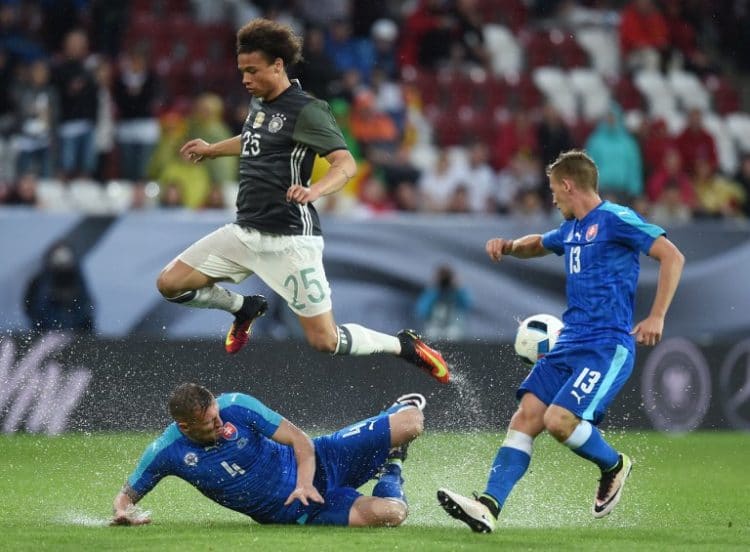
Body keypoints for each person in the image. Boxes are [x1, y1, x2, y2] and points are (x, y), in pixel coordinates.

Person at [162, 19, 450, 384]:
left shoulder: (308, 110)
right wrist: (213, 150)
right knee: (170, 284)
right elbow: (254, 136)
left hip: (290, 240)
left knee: (324, 340)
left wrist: (314, 191)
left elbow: (345, 164)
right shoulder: (260, 103)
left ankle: (405, 346)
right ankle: (244, 308)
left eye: (253, 70)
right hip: (245, 231)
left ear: (278, 65)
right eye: (242, 71)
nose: (245, 79)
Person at [437, 150, 684, 532]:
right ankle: (488, 504)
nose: (552, 198)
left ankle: (614, 464)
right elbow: (539, 243)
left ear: (568, 185)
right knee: (525, 417)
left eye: (554, 190)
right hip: (568, 342)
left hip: (607, 345)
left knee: (558, 420)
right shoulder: (571, 229)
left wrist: (657, 316)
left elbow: (672, 257)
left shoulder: (616, 220)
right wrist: (508, 245)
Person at [111, 383, 425, 527]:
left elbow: (300, 439)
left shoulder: (236, 405)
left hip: (324, 458)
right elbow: (127, 494)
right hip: (303, 512)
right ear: (185, 426)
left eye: (217, 414)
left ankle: (390, 427)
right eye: (210, 422)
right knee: (393, 515)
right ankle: (393, 465)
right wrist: (123, 512)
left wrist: (304, 483)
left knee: (411, 421)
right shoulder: (166, 452)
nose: (221, 423)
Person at [24, 240, 95, 332]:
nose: (62, 262)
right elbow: (34, 307)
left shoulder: (77, 279)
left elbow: (85, 306)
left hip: (76, 331)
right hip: (45, 331)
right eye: (59, 258)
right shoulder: (41, 281)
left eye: (65, 257)